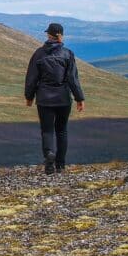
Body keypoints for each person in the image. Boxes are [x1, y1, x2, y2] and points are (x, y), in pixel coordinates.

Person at [24, 22, 85, 174]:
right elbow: (72, 78)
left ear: (48, 35)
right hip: (63, 98)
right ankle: (61, 165)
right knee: (62, 130)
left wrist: (29, 96)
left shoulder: (38, 54)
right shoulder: (67, 54)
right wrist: (79, 98)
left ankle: (49, 155)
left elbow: (31, 78)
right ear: (61, 36)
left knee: (47, 130)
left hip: (44, 98)